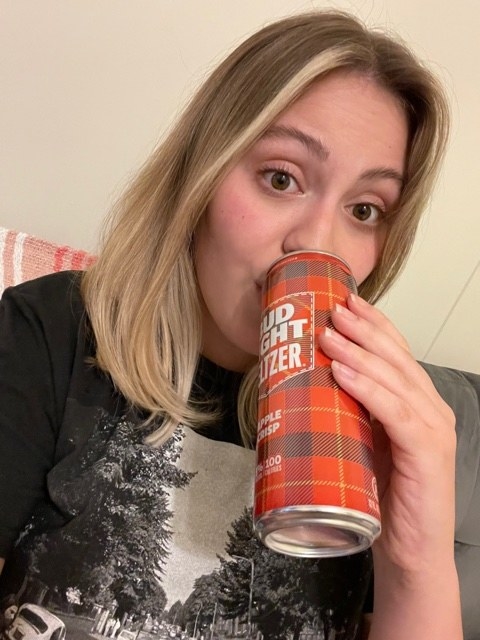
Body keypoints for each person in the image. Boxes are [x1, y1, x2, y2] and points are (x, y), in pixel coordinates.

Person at [0, 8, 469, 640]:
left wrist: (418, 558)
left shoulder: (373, 422)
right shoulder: (48, 332)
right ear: (200, 178)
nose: (315, 242)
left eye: (365, 208)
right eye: (282, 178)